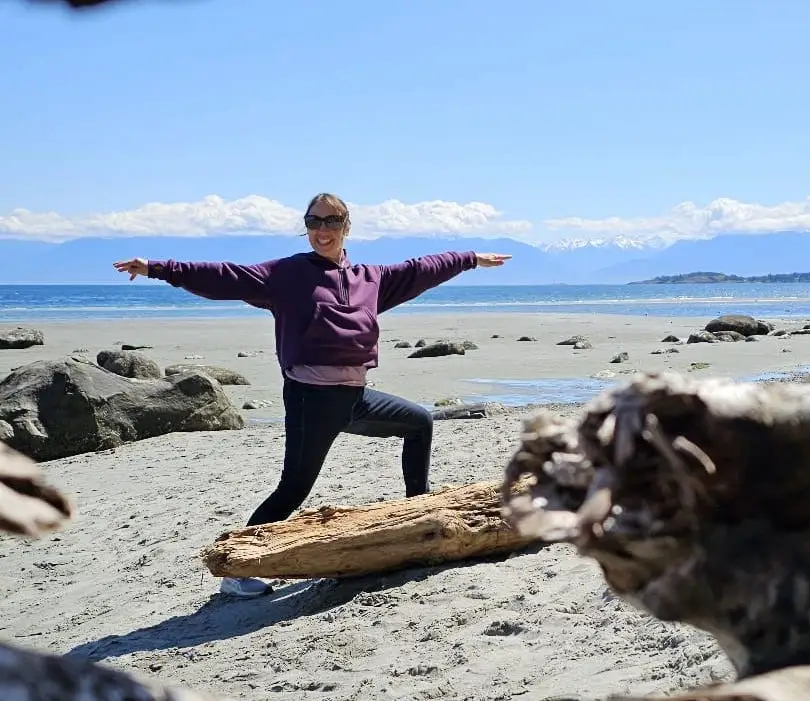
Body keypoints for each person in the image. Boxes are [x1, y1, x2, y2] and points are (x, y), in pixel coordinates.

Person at [113, 192, 512, 597]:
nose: (322, 230)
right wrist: (157, 268)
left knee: (419, 422)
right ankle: (235, 568)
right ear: (306, 226)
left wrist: (470, 257)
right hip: (311, 400)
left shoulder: (371, 280)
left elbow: (421, 268)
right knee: (294, 487)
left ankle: (418, 514)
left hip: (354, 398)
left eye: (332, 221)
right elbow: (222, 276)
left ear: (347, 226)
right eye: (314, 222)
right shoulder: (287, 275)